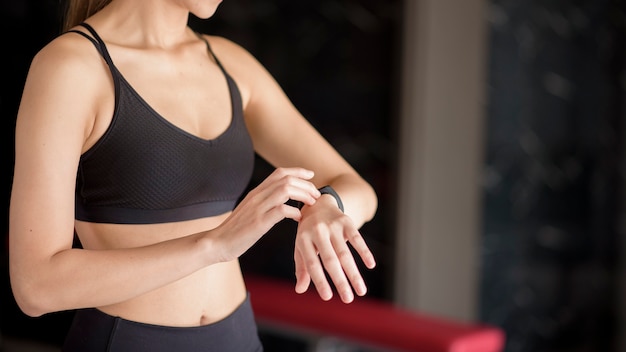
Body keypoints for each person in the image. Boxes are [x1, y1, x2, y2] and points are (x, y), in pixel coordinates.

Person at [8, 0, 378, 351]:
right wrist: (214, 245)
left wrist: (328, 204)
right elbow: (36, 287)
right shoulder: (70, 68)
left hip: (239, 339)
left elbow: (356, 188)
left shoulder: (230, 63)